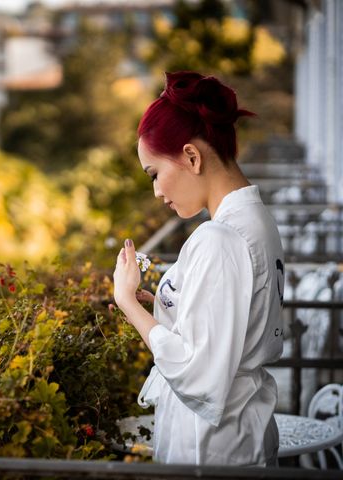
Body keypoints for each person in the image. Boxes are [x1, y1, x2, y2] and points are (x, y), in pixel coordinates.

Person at [113, 71, 285, 466]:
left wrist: (128, 303)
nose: (157, 192)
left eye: (155, 174)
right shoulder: (257, 220)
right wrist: (166, 303)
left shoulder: (219, 239)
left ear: (192, 156)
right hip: (240, 432)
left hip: (211, 445)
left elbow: (196, 372)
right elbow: (229, 325)